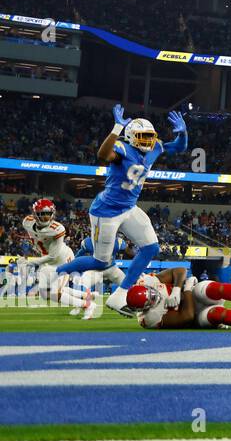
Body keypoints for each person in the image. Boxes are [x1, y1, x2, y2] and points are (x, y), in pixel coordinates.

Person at [56, 105, 188, 315]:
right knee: (100, 263)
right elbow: (103, 153)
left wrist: (183, 133)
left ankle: (119, 296)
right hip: (106, 211)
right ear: (131, 136)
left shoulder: (153, 148)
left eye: (150, 136)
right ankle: (58, 271)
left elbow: (178, 148)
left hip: (129, 208)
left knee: (151, 247)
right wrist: (117, 127)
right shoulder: (122, 148)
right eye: (142, 136)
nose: (147, 141)